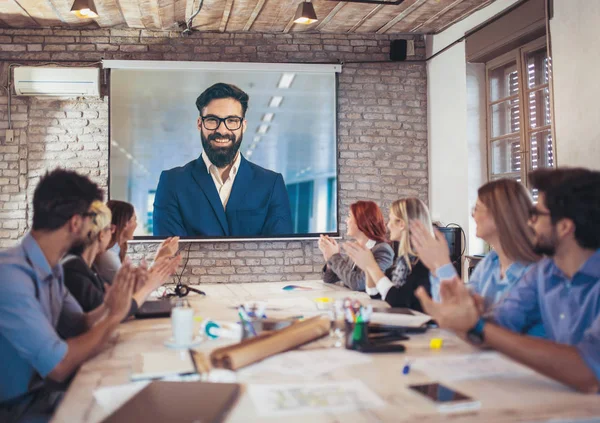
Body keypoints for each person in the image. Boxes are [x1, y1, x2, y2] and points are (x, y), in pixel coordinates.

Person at [415, 168, 600, 393]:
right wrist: (465, 316)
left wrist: (474, 324)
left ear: (564, 227)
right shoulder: (544, 273)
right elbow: (501, 323)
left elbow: (590, 371)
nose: (529, 222)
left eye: (536, 215)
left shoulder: (537, 270)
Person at [0, 169, 139, 422]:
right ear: (76, 223)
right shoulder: (11, 277)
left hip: (46, 394)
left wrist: (107, 306)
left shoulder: (51, 267)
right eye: (92, 217)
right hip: (18, 408)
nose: (96, 227)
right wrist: (114, 316)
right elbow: (59, 366)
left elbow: (79, 324)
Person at [153, 82, 294, 237]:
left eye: (232, 120)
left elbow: (280, 253)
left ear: (243, 126)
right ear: (200, 124)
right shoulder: (173, 183)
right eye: (212, 120)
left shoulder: (271, 184)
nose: (222, 130)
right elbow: (169, 256)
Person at [412, 179, 541, 320]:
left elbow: (467, 321)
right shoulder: (490, 263)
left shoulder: (534, 272)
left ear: (500, 215)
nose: (473, 215)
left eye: (477, 209)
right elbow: (452, 313)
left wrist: (443, 266)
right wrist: (435, 268)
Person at [63, 201, 181, 315]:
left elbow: (112, 305)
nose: (113, 231)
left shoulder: (90, 268)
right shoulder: (78, 270)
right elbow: (113, 311)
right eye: (110, 228)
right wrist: (148, 285)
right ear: (101, 234)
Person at [344, 198, 435, 310]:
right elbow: (375, 293)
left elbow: (397, 301)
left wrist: (371, 265)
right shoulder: (404, 261)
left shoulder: (423, 262)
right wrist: (367, 267)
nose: (388, 226)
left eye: (391, 220)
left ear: (401, 224)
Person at [319, 201, 394, 291]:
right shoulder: (357, 247)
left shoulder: (382, 250)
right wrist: (329, 258)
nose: (346, 220)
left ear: (362, 220)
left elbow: (359, 284)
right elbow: (329, 279)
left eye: (349, 216)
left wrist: (334, 257)